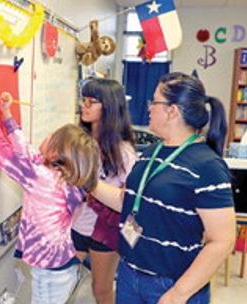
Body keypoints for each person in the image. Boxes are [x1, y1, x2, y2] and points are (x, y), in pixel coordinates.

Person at [91, 72, 236, 303]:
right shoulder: (150, 154)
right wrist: (88, 183)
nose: (149, 108)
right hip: (130, 274)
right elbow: (125, 200)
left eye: (154, 102)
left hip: (172, 284)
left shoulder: (208, 166)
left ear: (172, 111)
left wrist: (179, 294)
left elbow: (223, 240)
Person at [0, 75, 100, 304]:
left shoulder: (42, 178)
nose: (44, 137)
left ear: (55, 153)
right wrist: (6, 115)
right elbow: (28, 152)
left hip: (49, 272)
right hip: (61, 264)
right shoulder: (65, 178)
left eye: (51, 137)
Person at [71, 78, 137, 304]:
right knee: (62, 277)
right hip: (76, 224)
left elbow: (129, 199)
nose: (84, 106)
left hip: (106, 231)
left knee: (101, 289)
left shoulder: (123, 152)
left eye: (92, 101)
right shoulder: (80, 142)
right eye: (84, 100)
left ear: (108, 107)